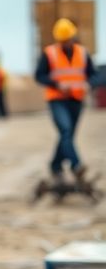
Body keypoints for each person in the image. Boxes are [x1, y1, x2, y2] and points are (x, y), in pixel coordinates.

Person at [35, 18, 99, 185]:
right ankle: (76, 166)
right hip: (57, 99)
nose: (66, 43)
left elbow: (94, 74)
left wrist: (89, 84)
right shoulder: (50, 53)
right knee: (65, 130)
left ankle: (56, 165)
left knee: (67, 135)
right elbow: (39, 76)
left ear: (73, 37)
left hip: (76, 99)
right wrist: (56, 84)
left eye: (68, 39)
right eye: (63, 40)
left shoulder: (82, 53)